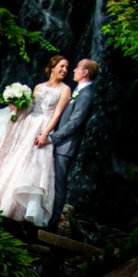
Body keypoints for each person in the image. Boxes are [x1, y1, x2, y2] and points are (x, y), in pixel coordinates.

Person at [0, 55, 73, 225]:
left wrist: (46, 133)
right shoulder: (38, 87)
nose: (64, 70)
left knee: (30, 165)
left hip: (43, 127)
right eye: (62, 66)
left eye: (67, 68)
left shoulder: (65, 89)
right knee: (14, 160)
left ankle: (15, 207)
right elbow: (30, 108)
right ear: (52, 67)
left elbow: (57, 114)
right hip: (27, 126)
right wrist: (16, 107)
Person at [45, 58, 98, 230]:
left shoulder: (87, 95)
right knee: (53, 182)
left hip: (65, 148)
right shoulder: (79, 91)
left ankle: (52, 224)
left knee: (59, 185)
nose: (73, 70)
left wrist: (53, 137)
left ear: (85, 73)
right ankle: (47, 217)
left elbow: (75, 123)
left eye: (77, 68)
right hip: (61, 145)